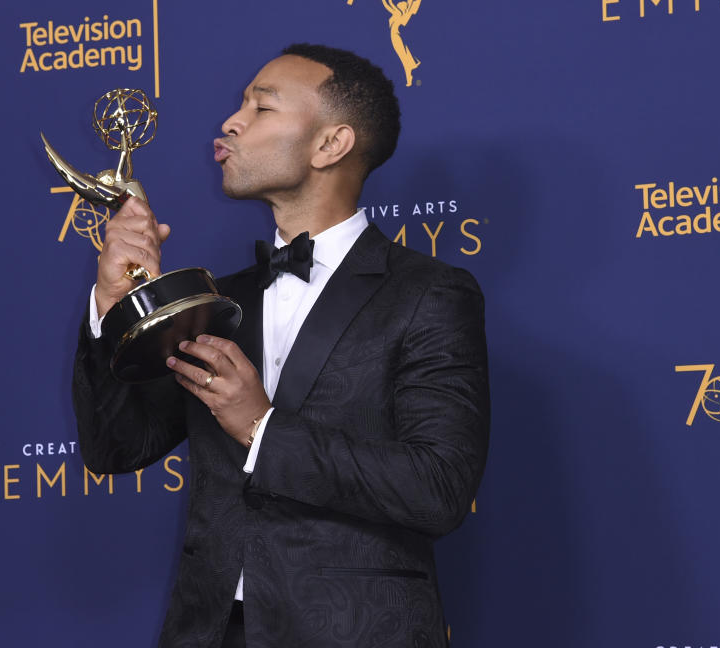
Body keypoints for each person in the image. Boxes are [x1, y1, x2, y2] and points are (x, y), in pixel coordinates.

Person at [73, 43, 489, 648]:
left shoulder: (430, 295)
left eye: (261, 108)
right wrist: (113, 308)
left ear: (331, 145)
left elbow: (439, 488)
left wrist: (261, 427)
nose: (231, 123)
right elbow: (116, 447)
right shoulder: (214, 302)